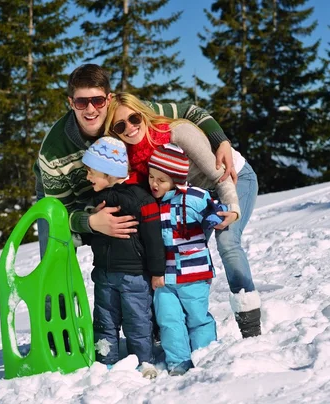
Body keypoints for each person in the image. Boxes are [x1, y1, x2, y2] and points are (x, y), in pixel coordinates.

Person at [34, 63, 237, 258]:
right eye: (81, 102)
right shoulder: (54, 152)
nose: (90, 109)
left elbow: (189, 112)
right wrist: (90, 221)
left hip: (115, 190)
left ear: (108, 98)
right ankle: (55, 293)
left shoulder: (128, 117)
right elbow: (59, 212)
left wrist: (221, 141)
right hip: (66, 193)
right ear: (71, 103)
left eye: (97, 100)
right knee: (56, 247)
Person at [105, 92, 262, 338]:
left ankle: (250, 326)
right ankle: (174, 325)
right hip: (193, 195)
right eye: (120, 125)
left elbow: (218, 174)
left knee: (228, 242)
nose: (130, 127)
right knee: (174, 246)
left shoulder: (177, 133)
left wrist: (231, 206)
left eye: (134, 118)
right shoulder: (131, 158)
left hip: (232, 179)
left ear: (143, 115)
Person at [81, 136, 165, 379]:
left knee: (137, 320)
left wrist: (157, 271)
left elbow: (153, 239)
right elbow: (89, 235)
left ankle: (144, 361)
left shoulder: (143, 200)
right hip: (104, 273)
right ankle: (105, 360)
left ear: (108, 173)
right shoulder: (96, 201)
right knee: (104, 320)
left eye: (91, 172)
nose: (87, 177)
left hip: (135, 275)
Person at [148, 143, 220, 376]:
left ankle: (206, 355)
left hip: (194, 273)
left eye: (161, 179)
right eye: (151, 177)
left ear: (176, 179)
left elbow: (215, 209)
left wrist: (215, 217)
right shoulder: (150, 204)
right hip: (164, 277)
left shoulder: (195, 197)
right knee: (169, 320)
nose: (154, 184)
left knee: (198, 317)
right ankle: (178, 363)